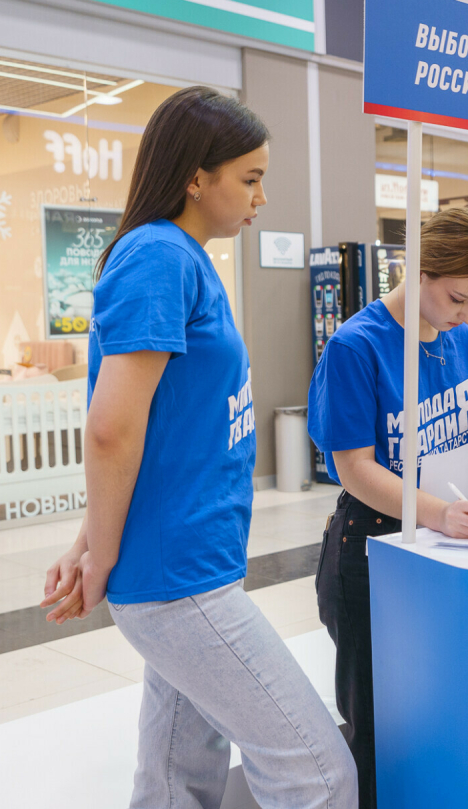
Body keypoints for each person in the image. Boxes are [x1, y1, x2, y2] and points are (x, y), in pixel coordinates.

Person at [39, 87, 358, 808]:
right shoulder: (158, 256)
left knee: (178, 782)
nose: (261, 197)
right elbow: (110, 427)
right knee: (320, 775)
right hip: (177, 577)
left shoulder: (181, 257)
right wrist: (102, 553)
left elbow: (153, 431)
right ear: (195, 177)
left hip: (190, 565)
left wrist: (91, 537)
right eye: (249, 178)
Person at [309, 207, 468, 809]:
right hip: (371, 551)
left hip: (437, 544)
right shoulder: (357, 345)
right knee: (379, 722)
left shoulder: (458, 335)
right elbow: (353, 467)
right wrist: (435, 514)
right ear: (419, 270)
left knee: (436, 714)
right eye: (458, 298)